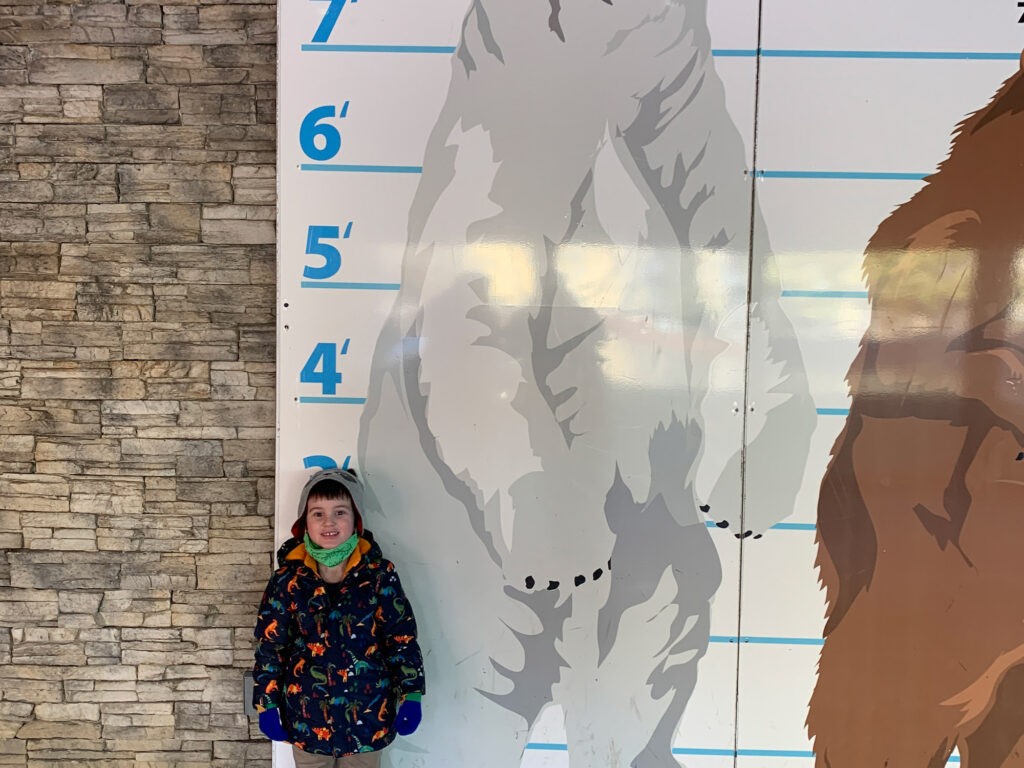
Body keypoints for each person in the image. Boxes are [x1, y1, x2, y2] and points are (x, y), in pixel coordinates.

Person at [252, 467, 425, 767]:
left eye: (340, 512)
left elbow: (401, 638)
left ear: (356, 520)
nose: (328, 522)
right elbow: (271, 648)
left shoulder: (380, 576)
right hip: (307, 723)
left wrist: (412, 693)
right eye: (317, 513)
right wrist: (266, 702)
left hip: (367, 722)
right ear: (303, 522)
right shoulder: (287, 580)